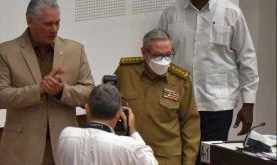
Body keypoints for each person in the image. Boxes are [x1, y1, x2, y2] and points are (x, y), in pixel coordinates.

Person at [0, 0, 94, 164]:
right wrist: (37, 90)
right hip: (22, 150)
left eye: (57, 23)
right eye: (48, 24)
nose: (54, 29)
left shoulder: (75, 50)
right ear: (30, 21)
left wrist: (62, 91)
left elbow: (89, 94)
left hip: (65, 147)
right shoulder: (7, 52)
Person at [159, 0, 259, 142]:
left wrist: (248, 104)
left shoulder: (231, 13)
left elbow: (247, 58)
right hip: (177, 102)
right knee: (178, 158)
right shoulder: (170, 13)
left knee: (210, 158)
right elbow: (159, 55)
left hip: (217, 105)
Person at [115, 29, 200, 165]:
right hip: (129, 154)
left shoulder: (180, 81)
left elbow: (190, 125)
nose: (164, 61)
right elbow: (109, 109)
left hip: (166, 158)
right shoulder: (125, 72)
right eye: (158, 56)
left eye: (168, 55)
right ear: (144, 53)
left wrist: (189, 162)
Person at [56, 84, 158, 165]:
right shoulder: (128, 147)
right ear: (119, 113)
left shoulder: (66, 135)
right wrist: (133, 130)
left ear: (87, 108)